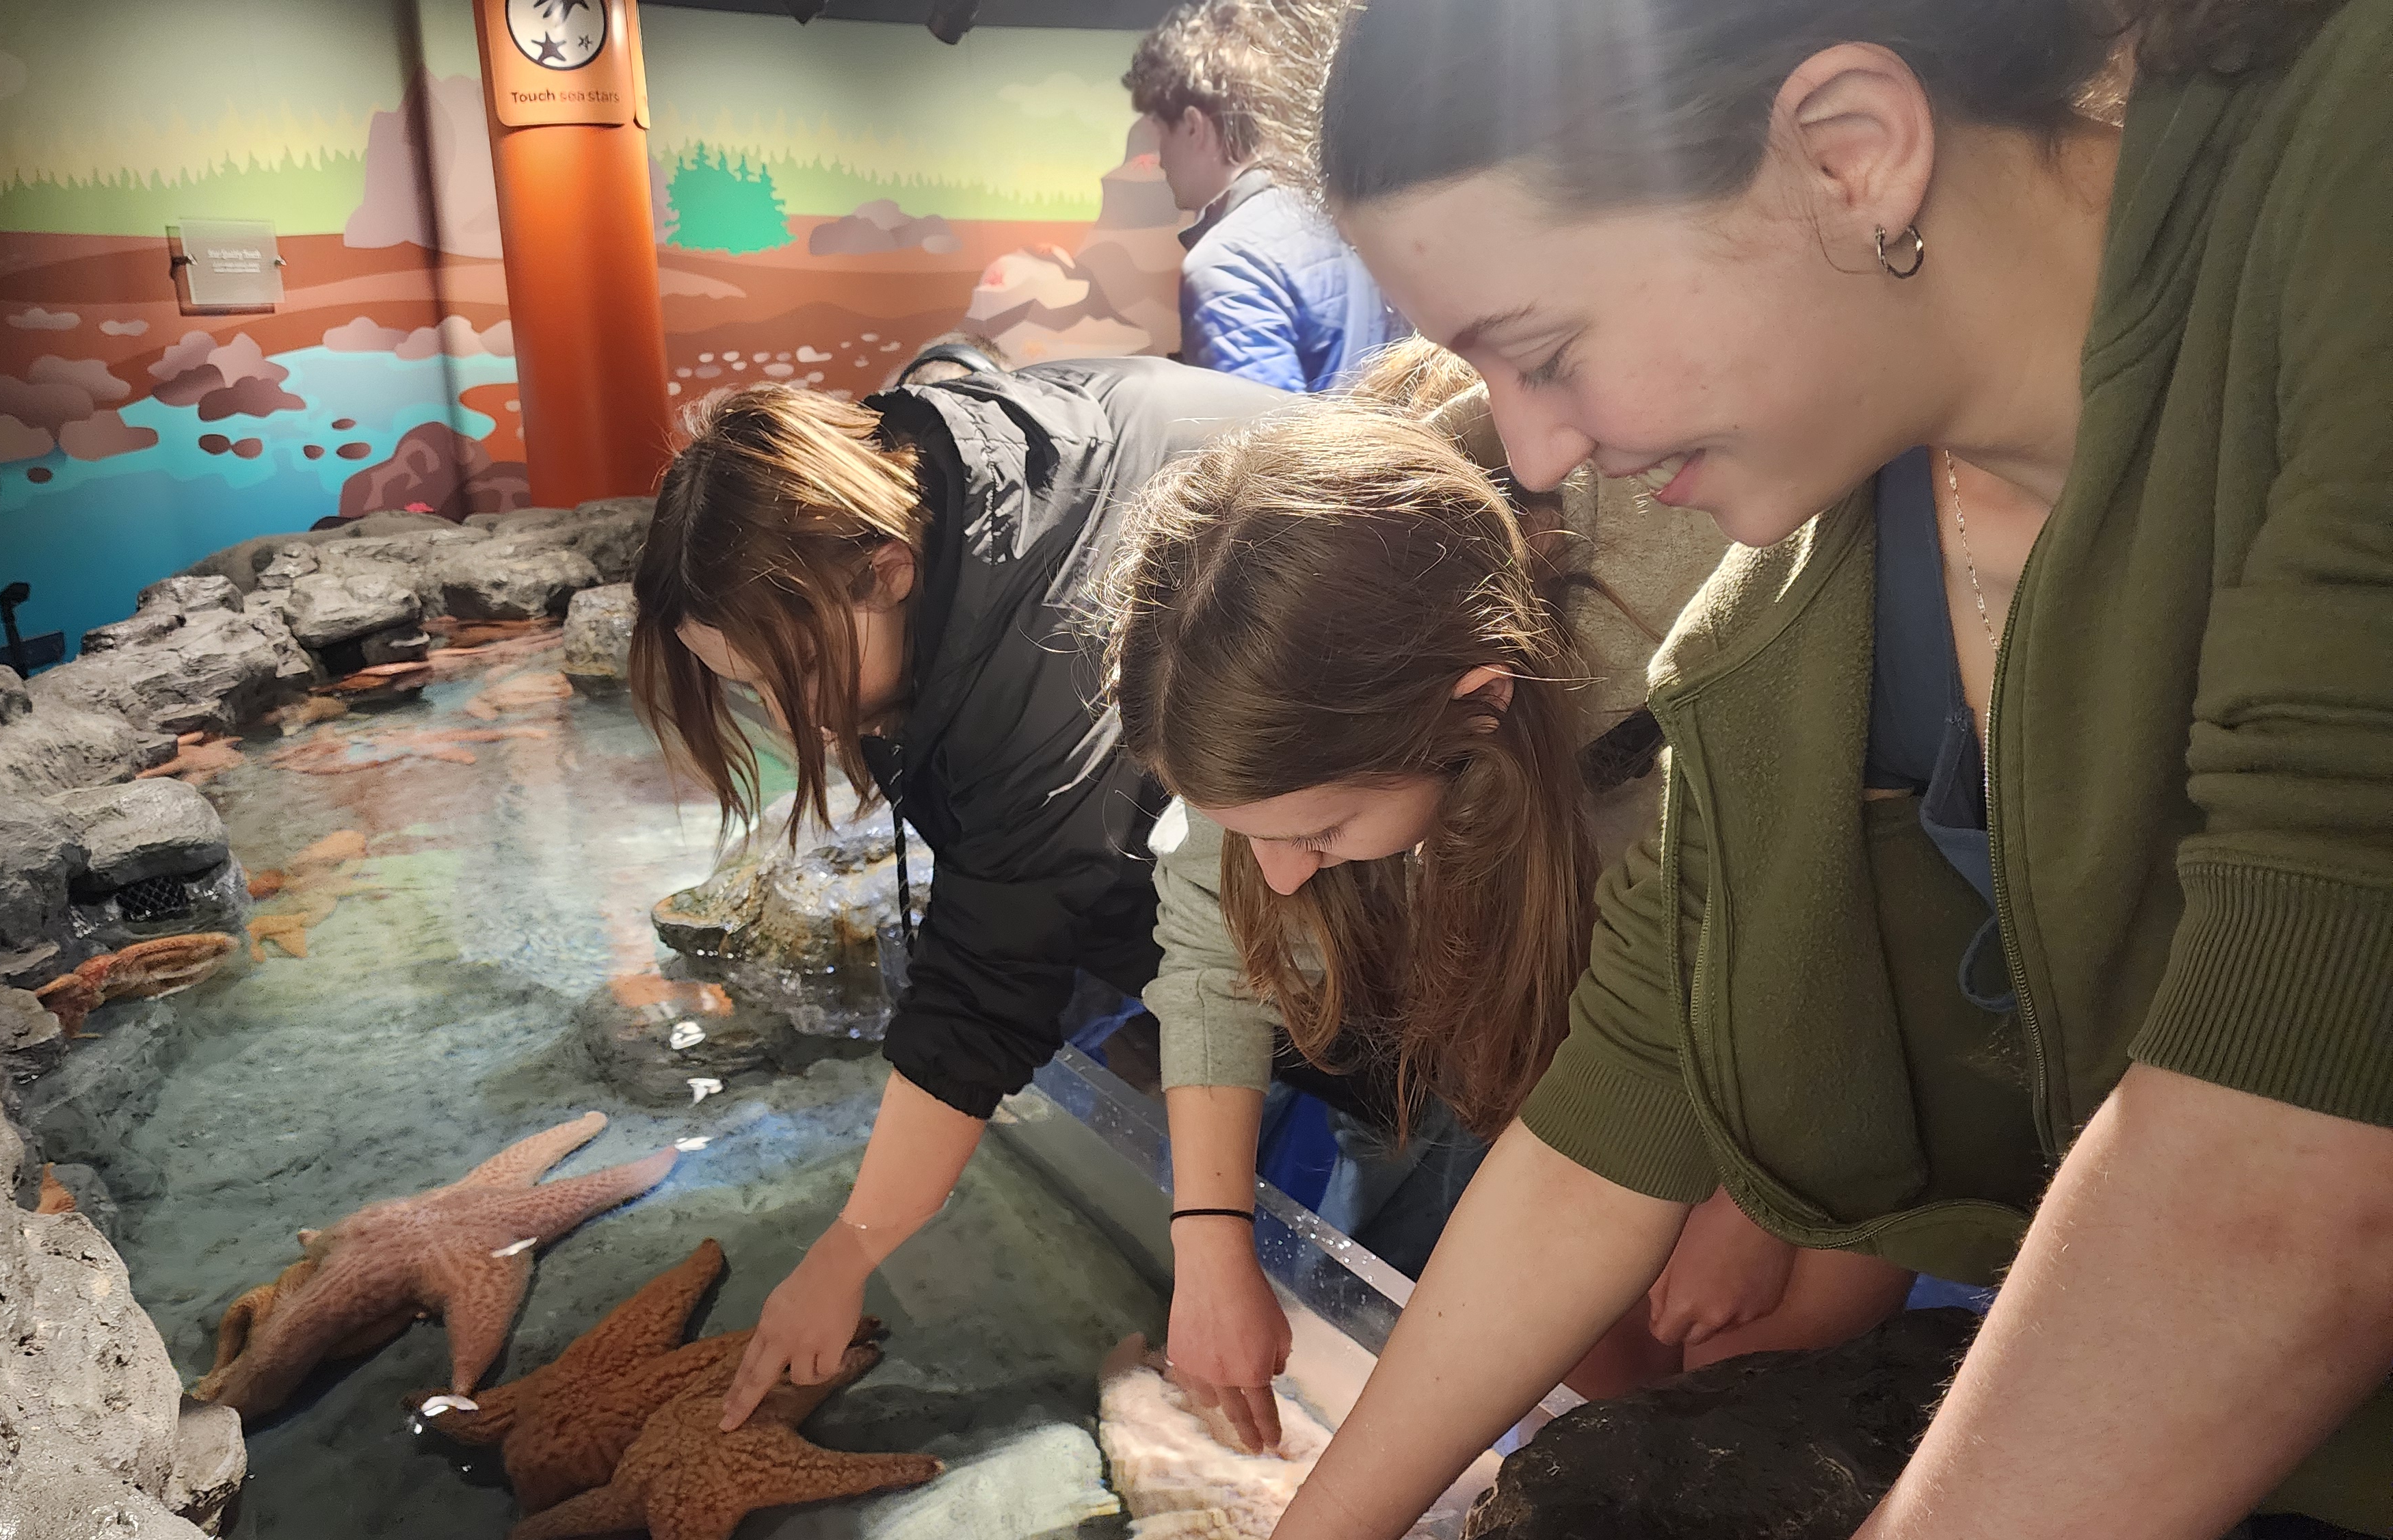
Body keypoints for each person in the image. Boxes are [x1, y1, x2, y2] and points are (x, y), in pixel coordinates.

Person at [1256, 1, 2393, 1537]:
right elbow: (1613, 1109)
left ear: (1850, 153)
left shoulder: (2349, 189)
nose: (1532, 454)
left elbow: (2295, 1166)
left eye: (1546, 353)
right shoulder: (1787, 621)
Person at [1113, 398, 1909, 1454]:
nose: (1278, 874)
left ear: (1479, 706)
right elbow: (1213, 949)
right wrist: (1212, 1246)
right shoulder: (1291, 659)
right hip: (1615, 1034)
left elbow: (1848, 913)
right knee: (1591, 1382)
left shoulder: (1715, 605)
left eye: (1320, 831)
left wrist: (1761, 1200)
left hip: (1850, 1036)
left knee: (1746, 1379)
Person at [628, 356, 1286, 1431]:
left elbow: (987, 979)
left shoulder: (1057, 642)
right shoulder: (949, 471)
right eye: (745, 687)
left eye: (787, 676)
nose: (782, 715)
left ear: (886, 572)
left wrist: (846, 1253)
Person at [1124, 0, 1406, 392]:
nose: (1159, 160)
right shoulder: (1347, 212)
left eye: (1161, 134)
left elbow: (1260, 431)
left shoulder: (1228, 265)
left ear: (1193, 126)